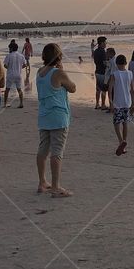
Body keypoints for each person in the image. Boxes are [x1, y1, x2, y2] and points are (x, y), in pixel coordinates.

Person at [36, 43, 76, 197]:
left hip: (44, 115)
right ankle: (55, 187)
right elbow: (72, 88)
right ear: (58, 56)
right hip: (58, 116)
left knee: (43, 150)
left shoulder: (40, 72)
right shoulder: (58, 73)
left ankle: (42, 182)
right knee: (57, 152)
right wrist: (62, 69)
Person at [108, 54, 133, 155]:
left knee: (116, 123)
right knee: (125, 123)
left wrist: (110, 103)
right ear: (126, 63)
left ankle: (121, 141)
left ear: (117, 63)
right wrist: (133, 104)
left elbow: (110, 89)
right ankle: (124, 142)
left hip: (117, 102)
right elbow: (133, 90)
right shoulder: (130, 73)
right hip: (127, 102)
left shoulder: (115, 74)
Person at [2, 41, 26, 108]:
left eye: (9, 48)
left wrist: (10, 67)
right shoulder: (21, 55)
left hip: (10, 74)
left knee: (7, 89)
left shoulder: (9, 55)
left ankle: (5, 103)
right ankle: (21, 103)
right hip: (18, 74)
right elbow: (24, 65)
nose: (9, 49)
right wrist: (19, 67)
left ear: (11, 48)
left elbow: (5, 65)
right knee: (19, 89)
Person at [92, 36, 108, 110]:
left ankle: (97, 104)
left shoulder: (95, 51)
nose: (106, 44)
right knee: (103, 89)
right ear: (101, 43)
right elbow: (104, 63)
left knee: (98, 88)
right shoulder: (103, 51)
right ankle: (103, 104)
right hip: (102, 72)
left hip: (97, 71)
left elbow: (95, 60)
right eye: (105, 42)